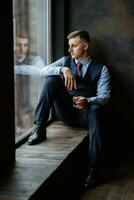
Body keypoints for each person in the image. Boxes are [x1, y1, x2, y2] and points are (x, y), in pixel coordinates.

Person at [27, 30, 110, 189]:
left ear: (85, 46)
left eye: (74, 46)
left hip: (86, 116)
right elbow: (42, 70)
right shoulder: (65, 61)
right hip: (65, 112)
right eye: (69, 46)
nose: (70, 50)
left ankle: (94, 170)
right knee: (51, 80)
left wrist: (88, 101)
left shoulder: (102, 69)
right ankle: (39, 127)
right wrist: (62, 70)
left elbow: (104, 96)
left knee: (96, 110)